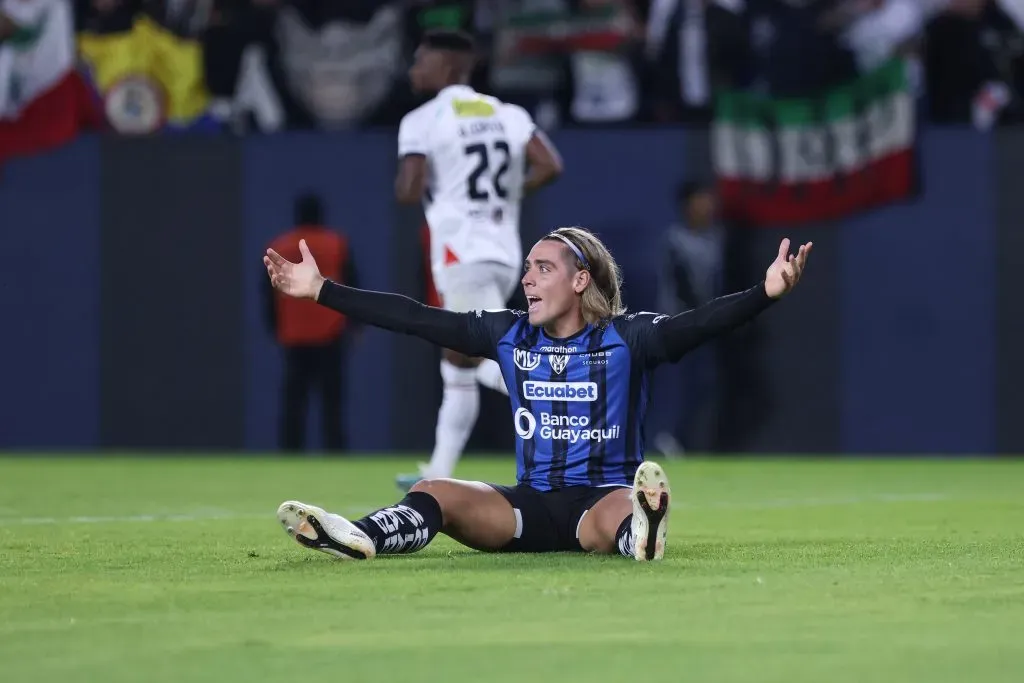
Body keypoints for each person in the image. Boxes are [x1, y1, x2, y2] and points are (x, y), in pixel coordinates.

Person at [263, 226, 812, 561]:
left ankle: (639, 535)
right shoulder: (509, 334)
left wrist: (764, 294)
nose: (527, 278)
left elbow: (697, 325)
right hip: (523, 509)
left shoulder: (628, 337)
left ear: (579, 281)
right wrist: (322, 291)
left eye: (543, 268)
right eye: (527, 268)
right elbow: (416, 319)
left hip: (600, 499)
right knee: (437, 489)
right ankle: (357, 536)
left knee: (622, 508)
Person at [393, 29, 564, 491]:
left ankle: (568, 399)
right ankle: (436, 473)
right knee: (457, 363)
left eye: (421, 61)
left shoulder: (423, 119)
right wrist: (508, 194)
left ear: (447, 68)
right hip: (504, 249)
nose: (413, 69)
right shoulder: (506, 113)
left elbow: (406, 191)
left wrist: (433, 186)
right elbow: (550, 164)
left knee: (482, 354)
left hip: (459, 249)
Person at [264, 193, 361, 452]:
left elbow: (268, 292)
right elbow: (353, 287)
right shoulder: (337, 244)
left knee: (294, 402)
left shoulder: (279, 246)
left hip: (293, 336)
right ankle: (335, 452)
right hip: (331, 333)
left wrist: (275, 328)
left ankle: (290, 453)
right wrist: (355, 326)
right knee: (333, 403)